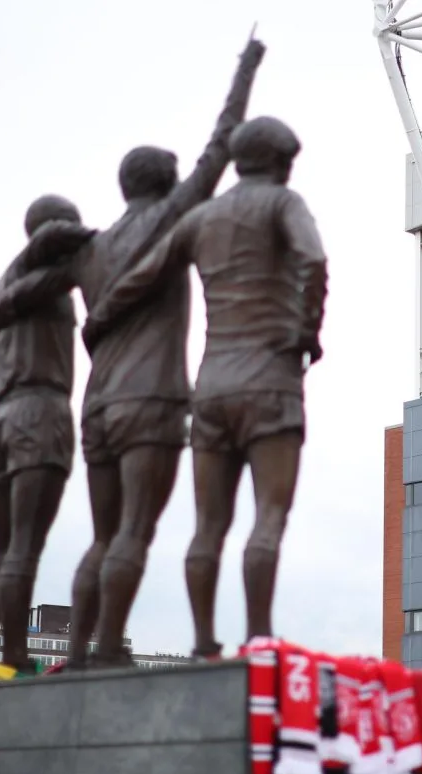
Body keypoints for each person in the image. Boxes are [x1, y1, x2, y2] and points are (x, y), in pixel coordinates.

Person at [0, 38, 265, 667]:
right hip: (152, 401)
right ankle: (108, 648)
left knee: (102, 536)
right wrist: (246, 68)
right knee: (134, 531)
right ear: (165, 181)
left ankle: (80, 653)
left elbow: (12, 299)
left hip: (96, 407)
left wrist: (33, 253)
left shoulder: (90, 248)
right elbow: (222, 144)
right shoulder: (170, 216)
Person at [83, 115, 328, 657]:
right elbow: (312, 259)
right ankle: (260, 639)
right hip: (270, 379)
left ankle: (202, 644)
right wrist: (304, 332)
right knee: (268, 516)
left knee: (207, 527)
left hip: (211, 386)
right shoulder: (284, 204)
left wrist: (97, 320)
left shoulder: (201, 218)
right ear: (280, 161)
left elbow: (138, 278)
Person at [0, 194, 88, 676]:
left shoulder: (6, 287)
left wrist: (8, 398)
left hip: (2, 417)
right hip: (40, 412)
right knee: (23, 546)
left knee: (1, 550)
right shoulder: (46, 282)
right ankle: (14, 654)